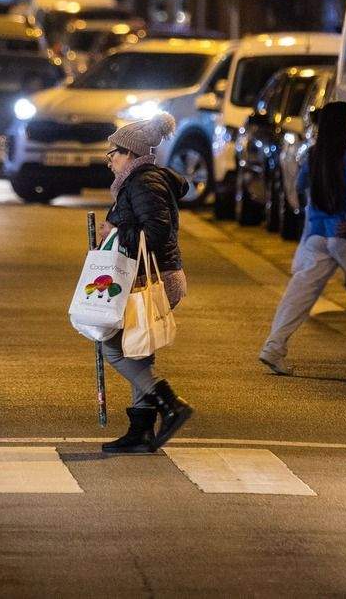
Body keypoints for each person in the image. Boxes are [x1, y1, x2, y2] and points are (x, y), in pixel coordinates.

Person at [258, 102, 346, 382]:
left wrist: (315, 209)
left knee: (299, 294)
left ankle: (274, 346)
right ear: (343, 124)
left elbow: (300, 186)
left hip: (316, 235)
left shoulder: (313, 155)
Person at [96, 111, 192, 455]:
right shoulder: (140, 182)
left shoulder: (143, 182)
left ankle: (169, 403)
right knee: (138, 348)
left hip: (155, 278)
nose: (110, 160)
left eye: (114, 153)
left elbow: (157, 230)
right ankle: (141, 432)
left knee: (114, 347)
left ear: (131, 155)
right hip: (154, 276)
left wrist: (117, 233)